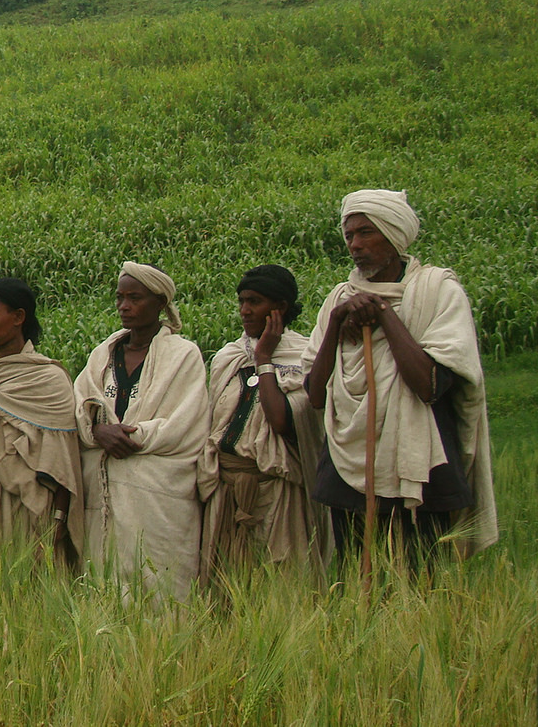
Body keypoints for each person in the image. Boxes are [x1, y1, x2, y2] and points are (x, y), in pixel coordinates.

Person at [302, 190, 496, 565]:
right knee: (354, 575)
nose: (355, 245)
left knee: (423, 575)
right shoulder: (340, 298)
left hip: (420, 463)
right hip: (347, 461)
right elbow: (314, 394)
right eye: (348, 236)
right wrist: (338, 321)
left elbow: (429, 385)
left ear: (393, 235)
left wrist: (384, 314)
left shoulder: (437, 292)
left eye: (365, 233)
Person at [72, 262, 210, 601]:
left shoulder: (183, 355)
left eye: (135, 298)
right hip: (103, 495)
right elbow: (79, 405)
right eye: (120, 298)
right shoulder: (102, 354)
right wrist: (96, 431)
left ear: (160, 303)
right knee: (104, 586)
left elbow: (186, 423)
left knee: (161, 586)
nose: (124, 306)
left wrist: (132, 436)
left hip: (157, 497)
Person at [199, 266, 329, 578]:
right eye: (241, 301)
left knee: (279, 583)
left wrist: (265, 359)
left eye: (254, 301)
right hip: (228, 492)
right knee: (224, 586)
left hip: (276, 495)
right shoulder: (229, 357)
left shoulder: (304, 357)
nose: (244, 310)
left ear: (280, 307)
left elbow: (282, 420)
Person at [0, 278, 82, 569]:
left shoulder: (48, 378)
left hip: (25, 501)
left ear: (18, 317)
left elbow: (63, 455)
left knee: (27, 584)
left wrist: (60, 516)